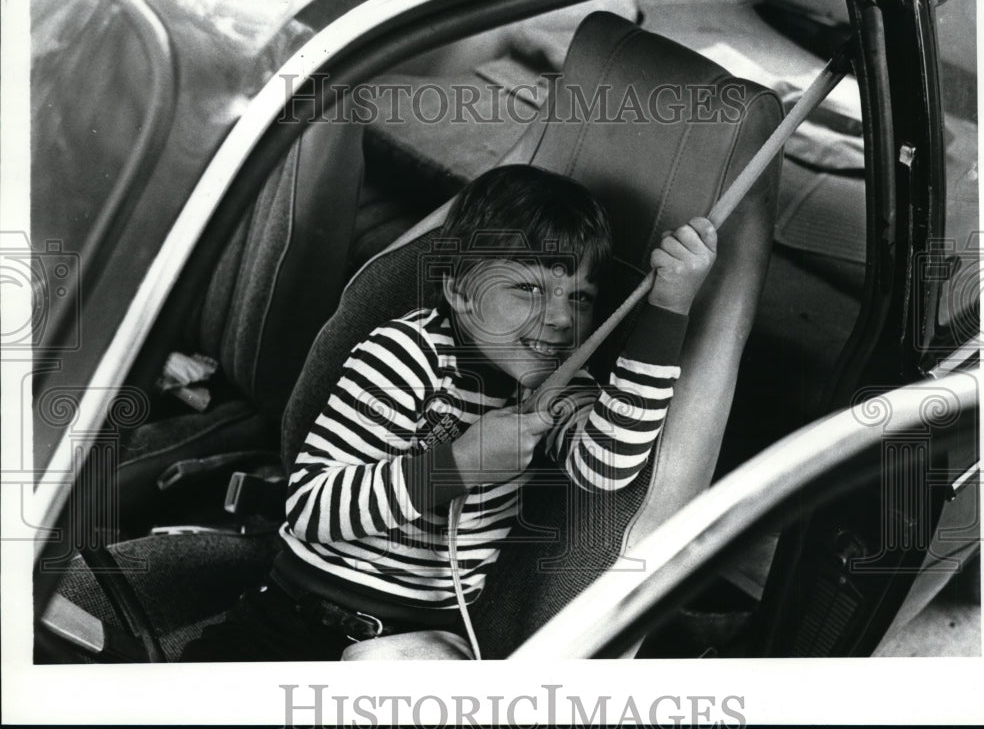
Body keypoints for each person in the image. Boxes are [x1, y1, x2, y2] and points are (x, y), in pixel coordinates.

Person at [181, 164, 716, 661]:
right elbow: (313, 510)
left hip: (415, 648)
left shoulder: (556, 385)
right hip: (293, 617)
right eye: (528, 289)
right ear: (460, 291)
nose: (558, 318)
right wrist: (453, 468)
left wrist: (668, 309)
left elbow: (609, 463)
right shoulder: (406, 357)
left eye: (579, 298)